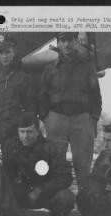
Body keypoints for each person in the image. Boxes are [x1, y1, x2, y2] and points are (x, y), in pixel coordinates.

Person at [39, 32, 102, 189]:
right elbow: (42, 95)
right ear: (58, 43)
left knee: (83, 165)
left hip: (81, 118)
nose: (66, 44)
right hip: (56, 118)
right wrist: (46, 118)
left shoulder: (87, 67)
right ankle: (58, 201)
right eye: (62, 41)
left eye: (70, 40)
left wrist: (92, 118)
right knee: (55, 164)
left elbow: (96, 95)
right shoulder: (50, 69)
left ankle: (85, 202)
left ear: (75, 42)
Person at [2, 112, 75, 216]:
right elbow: (6, 175)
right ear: (17, 132)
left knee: (66, 197)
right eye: (22, 132)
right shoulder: (10, 146)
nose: (25, 136)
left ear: (37, 132)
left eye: (29, 132)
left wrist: (41, 189)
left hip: (45, 194)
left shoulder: (50, 147)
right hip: (20, 194)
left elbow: (65, 176)